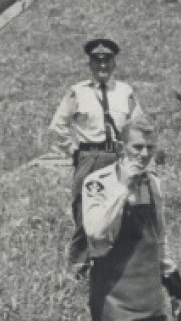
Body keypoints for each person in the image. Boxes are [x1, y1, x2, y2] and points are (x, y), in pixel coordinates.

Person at [83, 117, 181, 321]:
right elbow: (96, 233)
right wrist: (123, 189)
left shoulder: (153, 185)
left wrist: (176, 287)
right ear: (121, 147)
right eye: (137, 147)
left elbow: (158, 240)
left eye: (149, 147)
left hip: (149, 301)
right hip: (115, 302)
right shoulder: (97, 182)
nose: (144, 154)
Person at [50, 38, 146, 274]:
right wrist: (74, 151)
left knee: (124, 209)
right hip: (90, 158)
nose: (102, 66)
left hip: (119, 158)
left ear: (114, 63)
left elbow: (138, 124)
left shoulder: (125, 91)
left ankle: (119, 267)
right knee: (86, 214)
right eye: (97, 60)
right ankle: (78, 270)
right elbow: (58, 125)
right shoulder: (78, 92)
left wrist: (136, 156)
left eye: (107, 61)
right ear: (90, 64)